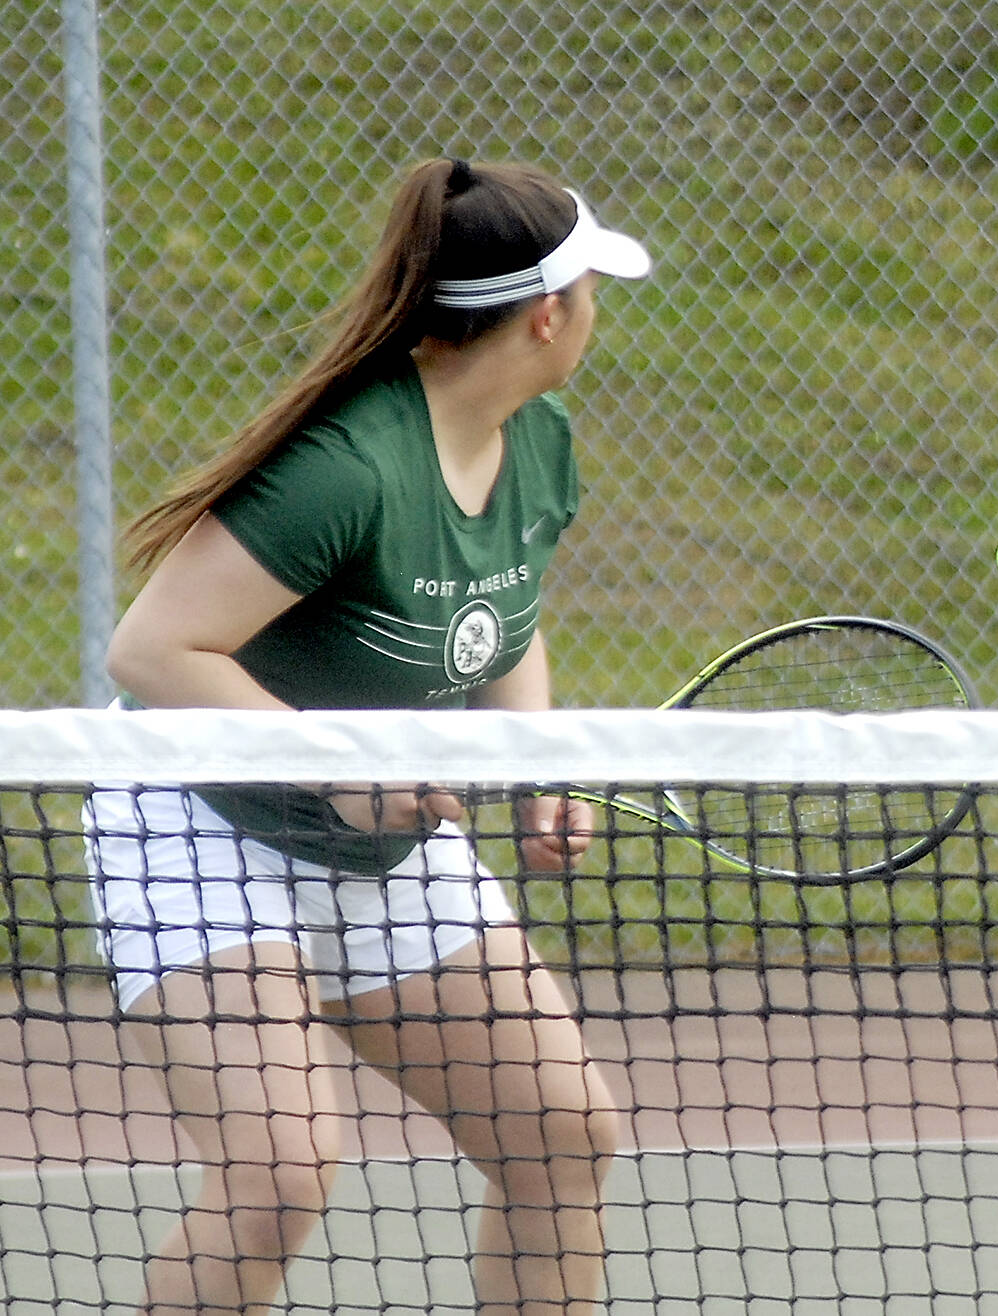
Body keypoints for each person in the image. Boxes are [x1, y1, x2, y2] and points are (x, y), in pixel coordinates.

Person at [84, 157, 650, 1315]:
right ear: (549, 314)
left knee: (561, 1132)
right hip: (200, 826)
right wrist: (341, 766)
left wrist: (534, 761)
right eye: (593, 291)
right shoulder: (345, 467)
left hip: (378, 845)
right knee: (279, 1171)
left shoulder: (538, 439)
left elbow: (498, 621)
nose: (596, 314)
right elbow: (150, 650)